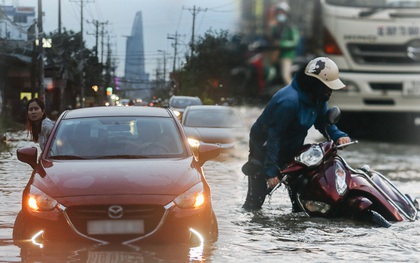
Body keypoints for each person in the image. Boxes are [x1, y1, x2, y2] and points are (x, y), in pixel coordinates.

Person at [242, 57, 351, 211]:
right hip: (265, 149)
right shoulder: (289, 101)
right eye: (327, 87)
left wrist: (338, 135)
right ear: (315, 84)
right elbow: (274, 137)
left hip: (292, 147)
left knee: (300, 197)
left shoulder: (318, 98)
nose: (330, 92)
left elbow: (323, 121)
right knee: (255, 203)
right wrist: (271, 171)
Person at [267, 2, 300, 85]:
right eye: (278, 12)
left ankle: (294, 93)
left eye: (282, 12)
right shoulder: (276, 27)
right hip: (275, 54)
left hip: (286, 55)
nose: (279, 14)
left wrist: (281, 44)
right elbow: (272, 38)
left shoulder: (291, 27)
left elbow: (294, 42)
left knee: (285, 76)